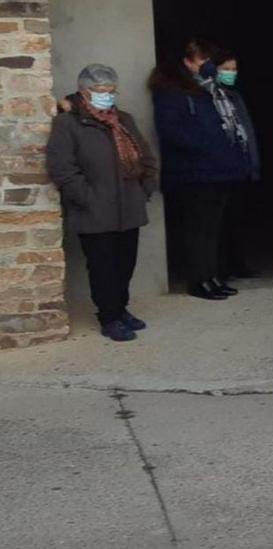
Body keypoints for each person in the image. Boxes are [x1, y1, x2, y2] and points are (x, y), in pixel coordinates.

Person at [47, 64, 158, 342]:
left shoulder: (124, 120)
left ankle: (121, 309)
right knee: (102, 266)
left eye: (111, 90)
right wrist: (86, 198)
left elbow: (146, 156)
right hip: (94, 210)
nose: (107, 95)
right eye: (100, 90)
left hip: (128, 206)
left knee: (125, 263)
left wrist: (146, 188)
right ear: (84, 91)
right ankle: (108, 316)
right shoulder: (68, 123)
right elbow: (62, 168)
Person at [151, 38, 253, 300]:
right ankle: (198, 281)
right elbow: (172, 131)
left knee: (213, 228)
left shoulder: (210, 90)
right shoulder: (172, 90)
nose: (208, 66)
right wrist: (209, 147)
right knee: (197, 230)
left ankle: (212, 276)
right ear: (186, 61)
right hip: (193, 172)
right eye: (202, 60)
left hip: (217, 171)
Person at [212, 50, 261, 281]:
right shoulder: (209, 95)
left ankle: (237, 263)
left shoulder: (235, 97)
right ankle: (219, 268)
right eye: (226, 69)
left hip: (240, 166)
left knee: (237, 219)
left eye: (234, 69)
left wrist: (253, 163)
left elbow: (246, 130)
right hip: (220, 168)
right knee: (218, 222)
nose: (231, 73)